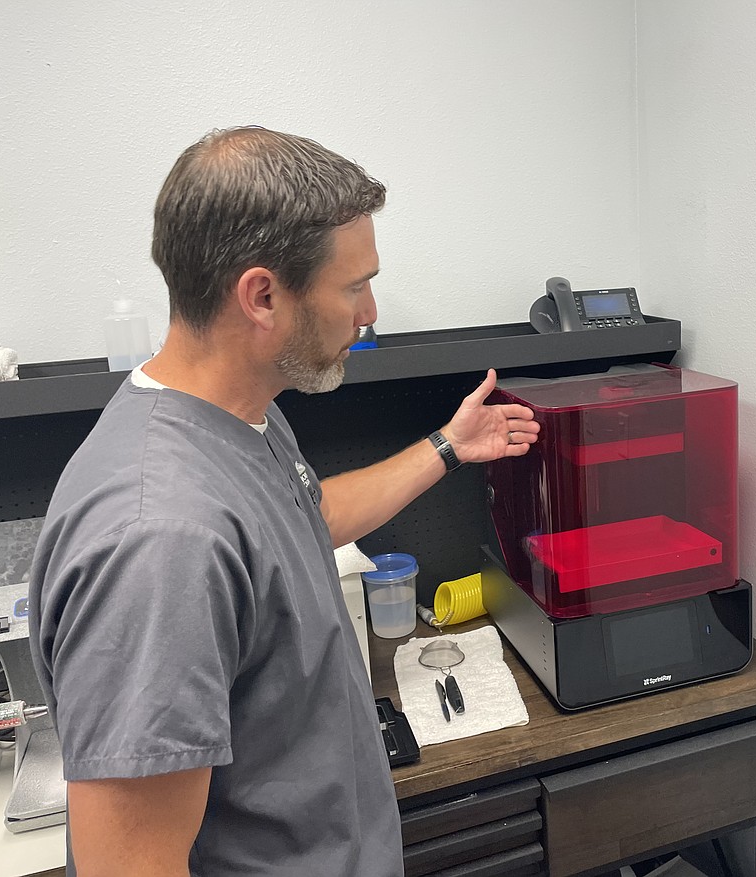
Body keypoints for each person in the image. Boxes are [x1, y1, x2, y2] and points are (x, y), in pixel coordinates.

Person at [28, 126, 539, 877]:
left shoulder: (239, 416)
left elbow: (303, 521)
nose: (369, 312)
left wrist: (448, 446)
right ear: (262, 295)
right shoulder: (161, 539)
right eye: (354, 285)